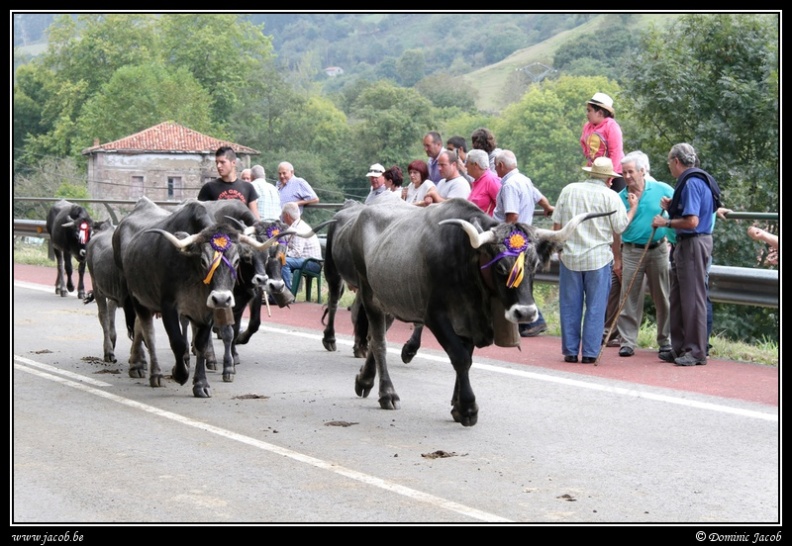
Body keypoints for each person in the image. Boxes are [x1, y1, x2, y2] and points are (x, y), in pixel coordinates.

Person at [553, 157, 636, 364]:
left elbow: (557, 223)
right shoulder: (612, 197)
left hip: (570, 257)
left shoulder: (569, 190)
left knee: (569, 305)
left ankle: (570, 351)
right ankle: (590, 353)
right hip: (598, 258)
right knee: (596, 307)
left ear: (590, 173)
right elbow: (620, 227)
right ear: (609, 179)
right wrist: (633, 207)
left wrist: (560, 249)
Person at [652, 143, 722, 367]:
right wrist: (672, 205)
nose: (669, 167)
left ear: (676, 161)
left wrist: (666, 222)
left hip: (693, 242)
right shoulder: (699, 180)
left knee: (692, 298)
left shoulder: (691, 183)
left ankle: (696, 351)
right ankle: (680, 347)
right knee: (679, 296)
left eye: (669, 162)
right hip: (688, 244)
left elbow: (693, 221)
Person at [613, 151, 675, 357]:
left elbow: (683, 205)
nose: (627, 176)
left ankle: (665, 340)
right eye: (624, 173)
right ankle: (628, 341)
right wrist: (618, 259)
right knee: (629, 297)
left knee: (663, 296)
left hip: (658, 248)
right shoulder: (620, 197)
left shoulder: (662, 189)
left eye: (631, 172)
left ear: (642, 171)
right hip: (631, 250)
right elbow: (616, 230)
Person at [493, 149, 553, 336]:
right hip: (527, 239)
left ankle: (533, 322)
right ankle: (528, 321)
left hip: (514, 241)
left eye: (495, 166)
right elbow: (542, 199)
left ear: (501, 166)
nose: (495, 170)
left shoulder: (509, 185)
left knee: (515, 282)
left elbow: (512, 216)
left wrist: (506, 243)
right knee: (522, 281)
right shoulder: (525, 180)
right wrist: (548, 208)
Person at [198, 146, 259, 219]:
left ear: (233, 163)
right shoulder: (208, 188)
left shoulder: (248, 187)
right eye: (217, 162)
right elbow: (199, 215)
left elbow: (255, 219)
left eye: (222, 162)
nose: (218, 166)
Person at [581, 92, 625, 193]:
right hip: (596, 171)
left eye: (589, 111)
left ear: (600, 113)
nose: (587, 114)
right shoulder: (587, 126)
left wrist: (609, 176)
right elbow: (584, 143)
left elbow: (616, 153)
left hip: (615, 174)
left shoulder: (611, 126)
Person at [279, 201, 323, 293]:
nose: (282, 218)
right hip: (306, 261)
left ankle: (287, 293)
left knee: (283, 261)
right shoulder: (297, 225)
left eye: (282, 215)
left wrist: (282, 255)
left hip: (312, 263)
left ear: (287, 215)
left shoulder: (299, 229)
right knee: (281, 259)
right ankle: (279, 292)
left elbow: (296, 253)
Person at [465, 149, 501, 216]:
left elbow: (502, 207)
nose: (465, 166)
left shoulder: (491, 180)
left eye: (467, 162)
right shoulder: (477, 180)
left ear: (475, 165)